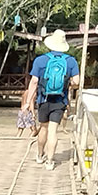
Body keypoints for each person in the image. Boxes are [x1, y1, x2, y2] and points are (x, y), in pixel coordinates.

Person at [26, 29, 80, 168]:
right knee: (53, 130)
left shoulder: (40, 60)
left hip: (43, 99)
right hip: (60, 101)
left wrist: (28, 102)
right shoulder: (71, 61)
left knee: (43, 128)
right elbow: (76, 82)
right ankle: (50, 161)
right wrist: (68, 83)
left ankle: (39, 155)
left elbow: (34, 82)